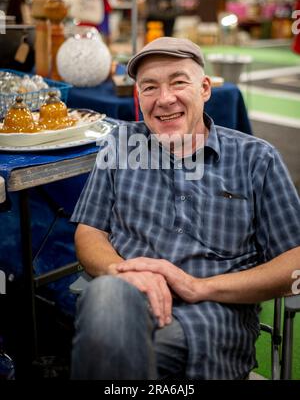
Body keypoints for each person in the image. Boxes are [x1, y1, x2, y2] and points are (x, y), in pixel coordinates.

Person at [70, 37, 300, 380]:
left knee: (129, 348)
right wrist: (126, 272)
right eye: (149, 87)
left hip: (212, 319)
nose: (164, 99)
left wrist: (200, 287)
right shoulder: (119, 145)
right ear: (138, 98)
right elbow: (89, 230)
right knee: (107, 298)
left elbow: (295, 262)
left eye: (178, 82)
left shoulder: (256, 159)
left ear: (205, 88)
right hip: (126, 298)